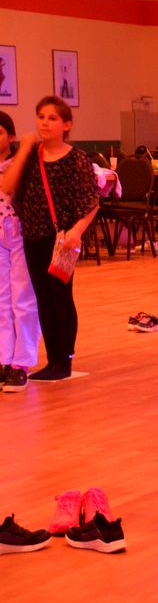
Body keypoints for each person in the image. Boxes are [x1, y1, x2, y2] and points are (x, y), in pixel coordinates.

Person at [0, 96, 99, 382]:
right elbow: (8, 186)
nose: (44, 123)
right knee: (42, 297)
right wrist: (25, 148)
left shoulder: (76, 158)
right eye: (41, 117)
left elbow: (91, 201)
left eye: (52, 118)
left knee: (60, 296)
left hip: (62, 238)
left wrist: (76, 231)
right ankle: (52, 357)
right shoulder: (32, 154)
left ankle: (63, 359)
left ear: (66, 124)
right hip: (32, 235)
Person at [0, 112, 41, 393]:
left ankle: (21, 362)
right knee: (1, 300)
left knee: (23, 299)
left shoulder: (21, 163)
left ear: (11, 136)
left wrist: (26, 148)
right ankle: (4, 357)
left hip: (18, 231)